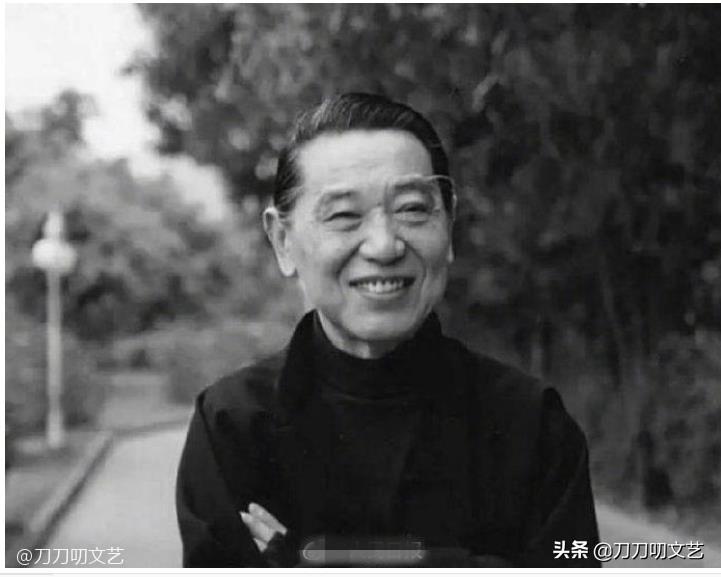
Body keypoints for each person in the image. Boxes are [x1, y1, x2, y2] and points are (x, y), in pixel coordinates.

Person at [175, 93, 600, 568]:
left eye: (412, 209)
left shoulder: (532, 424)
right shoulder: (233, 426)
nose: (383, 245)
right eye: (343, 215)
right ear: (283, 241)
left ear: (449, 224)